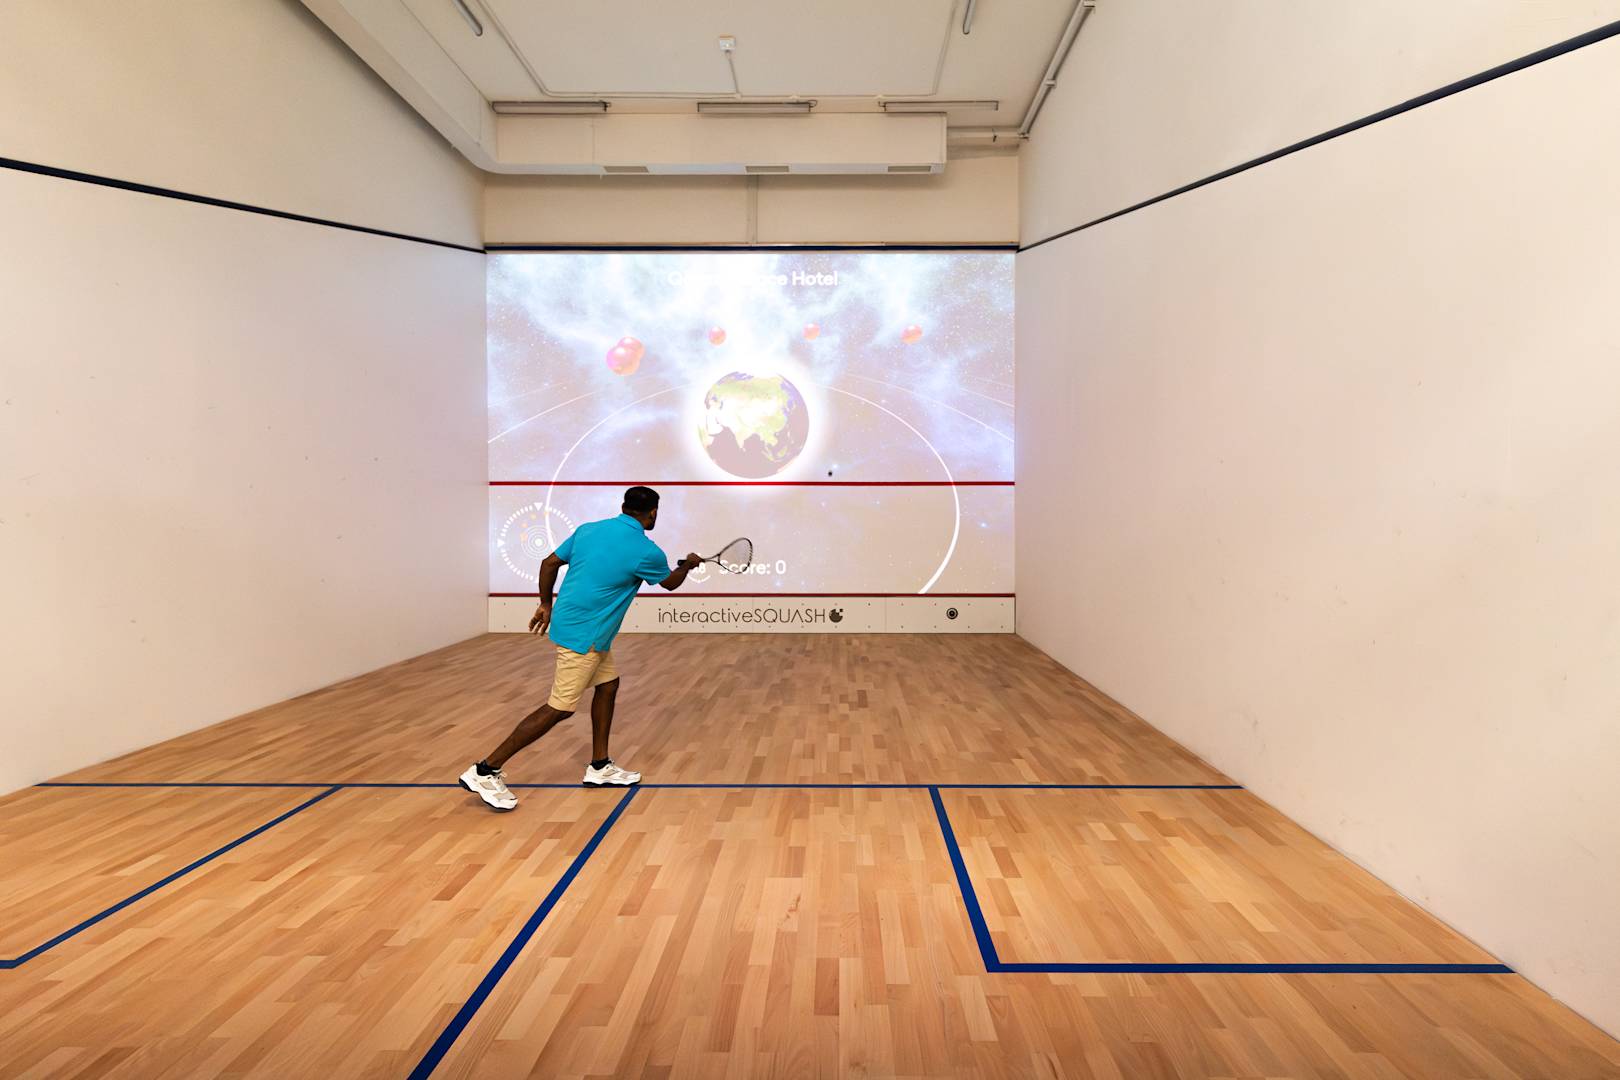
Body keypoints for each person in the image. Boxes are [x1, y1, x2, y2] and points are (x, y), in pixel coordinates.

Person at [459, 486, 701, 810]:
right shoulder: (647, 551)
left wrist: (545, 604)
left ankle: (599, 766)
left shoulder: (588, 530)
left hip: (576, 625)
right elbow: (670, 583)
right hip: (586, 635)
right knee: (560, 708)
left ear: (623, 507)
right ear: (653, 512)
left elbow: (549, 563)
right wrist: (688, 565)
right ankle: (485, 770)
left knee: (608, 685)